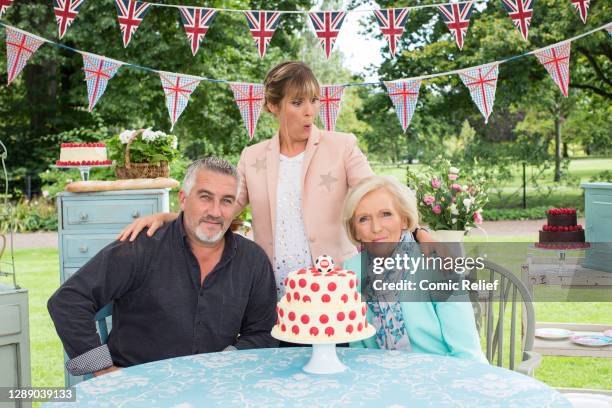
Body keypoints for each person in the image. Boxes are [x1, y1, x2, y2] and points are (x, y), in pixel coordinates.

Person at [117, 61, 434, 301]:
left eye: (314, 101)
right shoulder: (252, 156)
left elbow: (377, 195)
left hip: (338, 289)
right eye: (298, 103)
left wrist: (418, 232)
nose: (309, 112)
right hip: (276, 293)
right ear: (273, 106)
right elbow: (224, 213)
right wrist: (169, 218)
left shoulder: (342, 146)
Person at [48, 157, 278, 377]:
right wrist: (103, 369)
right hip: (137, 387)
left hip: (214, 386)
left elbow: (261, 332)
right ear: (184, 199)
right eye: (205, 197)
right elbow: (68, 302)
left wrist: (224, 363)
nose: (215, 212)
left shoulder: (252, 260)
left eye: (226, 201)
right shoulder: (140, 247)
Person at [342, 175, 487, 362]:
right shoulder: (351, 270)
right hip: (378, 379)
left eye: (386, 214)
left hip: (443, 377)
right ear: (354, 230)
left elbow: (466, 353)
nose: (376, 228)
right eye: (363, 219)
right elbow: (357, 347)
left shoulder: (437, 264)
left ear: (404, 220)